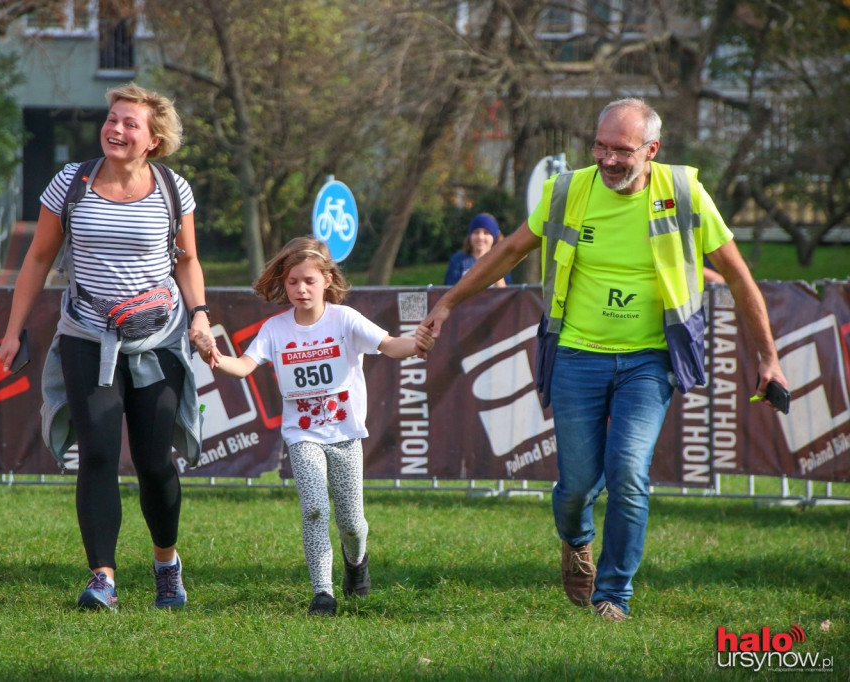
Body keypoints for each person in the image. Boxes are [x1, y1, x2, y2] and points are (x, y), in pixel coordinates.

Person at [414, 98, 788, 621]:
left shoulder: (683, 193)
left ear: (652, 150)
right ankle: (576, 538)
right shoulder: (567, 191)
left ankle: (614, 596)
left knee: (628, 472)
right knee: (574, 488)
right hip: (576, 355)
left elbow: (740, 275)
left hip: (649, 360)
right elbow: (509, 250)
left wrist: (769, 358)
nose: (608, 160)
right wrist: (449, 302)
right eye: (600, 147)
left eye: (622, 151)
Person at [0, 83, 211, 611]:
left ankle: (166, 563)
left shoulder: (173, 189)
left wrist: (200, 314)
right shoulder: (70, 182)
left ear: (153, 139)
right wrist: (12, 328)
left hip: (157, 340)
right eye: (112, 119)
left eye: (130, 123)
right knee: (95, 453)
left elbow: (186, 260)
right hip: (86, 335)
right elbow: (38, 258)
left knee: (154, 461)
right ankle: (103, 578)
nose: (116, 130)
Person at [191, 236, 418, 616]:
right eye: (293, 281)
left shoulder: (344, 320)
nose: (301, 289)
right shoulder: (275, 329)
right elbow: (244, 366)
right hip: (303, 436)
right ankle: (322, 594)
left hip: (345, 435)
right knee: (313, 509)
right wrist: (214, 356)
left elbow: (392, 344)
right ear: (284, 281)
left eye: (309, 280)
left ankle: (356, 561)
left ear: (327, 279)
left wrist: (420, 343)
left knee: (351, 522)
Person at [444, 213, 511, 287]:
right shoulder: (458, 260)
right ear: (470, 236)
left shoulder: (501, 261)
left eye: (486, 233)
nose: (480, 237)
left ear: (494, 238)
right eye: (476, 232)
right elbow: (448, 290)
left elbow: (506, 294)